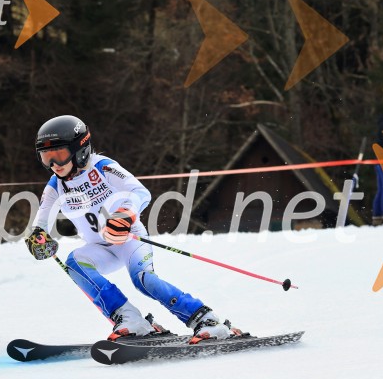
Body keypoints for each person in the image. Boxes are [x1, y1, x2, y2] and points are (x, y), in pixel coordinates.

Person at [25, 115, 243, 343]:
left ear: (79, 150)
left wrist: (124, 216)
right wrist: (38, 238)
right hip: (100, 247)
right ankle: (130, 319)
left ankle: (205, 318)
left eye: (59, 156)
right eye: (46, 158)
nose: (54, 165)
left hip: (129, 239)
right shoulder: (55, 186)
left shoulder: (103, 167)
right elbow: (41, 224)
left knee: (144, 280)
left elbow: (140, 193)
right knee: (75, 264)